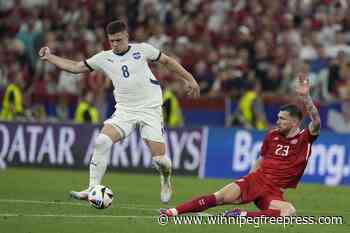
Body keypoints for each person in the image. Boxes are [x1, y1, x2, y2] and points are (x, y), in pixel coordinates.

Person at [38, 20, 200, 203]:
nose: (115, 44)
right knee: (101, 141)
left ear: (126, 36)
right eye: (111, 41)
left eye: (118, 40)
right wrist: (50, 57)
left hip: (150, 109)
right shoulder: (103, 58)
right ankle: (92, 188)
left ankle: (165, 180)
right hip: (125, 110)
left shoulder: (142, 49)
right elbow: (76, 67)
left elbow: (167, 62)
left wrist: (190, 79)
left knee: (160, 160)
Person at [161, 73, 320, 217]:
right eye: (278, 118)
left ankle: (241, 215)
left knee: (288, 211)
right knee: (220, 197)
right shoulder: (272, 135)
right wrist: (249, 178)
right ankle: (172, 212)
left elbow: (316, 121)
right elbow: (261, 159)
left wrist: (306, 99)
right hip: (257, 180)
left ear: (294, 122)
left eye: (282, 119)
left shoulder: (304, 138)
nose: (278, 121)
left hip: (274, 191)